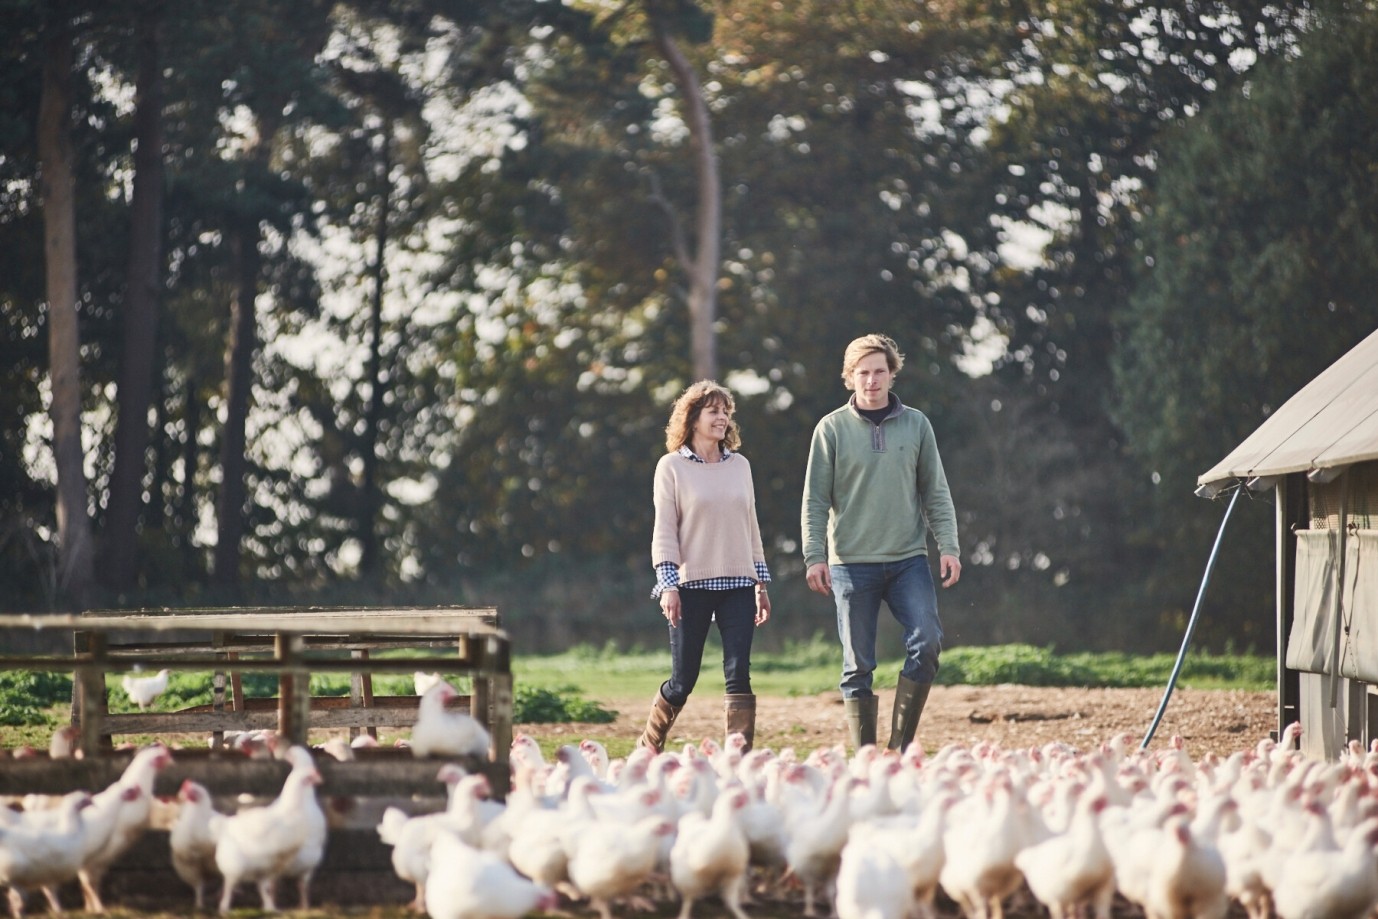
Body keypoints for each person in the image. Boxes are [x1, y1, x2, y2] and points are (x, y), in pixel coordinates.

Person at [801, 333, 961, 753]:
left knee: (926, 641)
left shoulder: (917, 424)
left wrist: (949, 546)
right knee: (858, 667)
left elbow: (936, 491)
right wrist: (814, 555)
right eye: (862, 373)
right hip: (851, 563)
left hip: (908, 559)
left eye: (879, 372)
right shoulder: (830, 429)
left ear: (892, 374)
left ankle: (898, 749)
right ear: (850, 378)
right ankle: (866, 758)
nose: (871, 380)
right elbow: (815, 500)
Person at [638, 380, 772, 754]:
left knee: (738, 674)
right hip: (690, 585)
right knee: (683, 680)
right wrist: (668, 585)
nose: (722, 417)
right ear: (692, 417)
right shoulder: (672, 467)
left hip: (738, 586)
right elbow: (664, 529)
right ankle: (649, 745)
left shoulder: (740, 466)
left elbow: (751, 526)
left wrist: (760, 584)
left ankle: (739, 757)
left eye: (726, 411)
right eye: (713, 410)